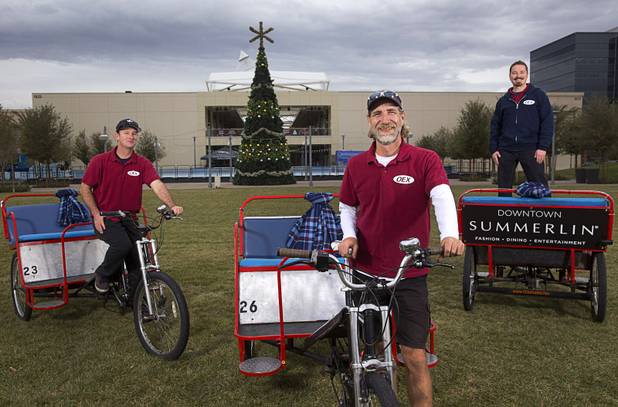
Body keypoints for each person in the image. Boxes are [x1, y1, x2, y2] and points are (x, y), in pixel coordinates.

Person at [338, 90, 464, 406]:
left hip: (408, 273)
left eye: (391, 112)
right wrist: (349, 236)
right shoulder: (356, 165)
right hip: (365, 272)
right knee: (373, 352)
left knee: (414, 355)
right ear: (369, 122)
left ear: (402, 118)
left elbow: (441, 196)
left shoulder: (424, 159)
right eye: (378, 113)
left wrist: (450, 233)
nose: (385, 119)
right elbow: (347, 207)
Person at [80, 118, 183, 294]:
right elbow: (85, 188)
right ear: (117, 136)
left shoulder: (142, 163)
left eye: (134, 133)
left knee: (138, 257)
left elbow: (156, 184)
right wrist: (96, 214)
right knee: (122, 245)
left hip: (129, 218)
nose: (131, 136)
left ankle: (137, 301)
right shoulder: (100, 161)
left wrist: (172, 205)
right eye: (126, 132)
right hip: (106, 217)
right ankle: (102, 275)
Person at [490, 60, 554, 196]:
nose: (518, 76)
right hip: (506, 150)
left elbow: (547, 122)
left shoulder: (538, 95)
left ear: (527, 74)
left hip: (531, 149)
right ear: (510, 76)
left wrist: (543, 147)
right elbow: (495, 126)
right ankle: (505, 215)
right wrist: (494, 149)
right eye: (514, 73)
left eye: (521, 72)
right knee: (504, 190)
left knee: (541, 189)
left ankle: (544, 216)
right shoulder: (503, 101)